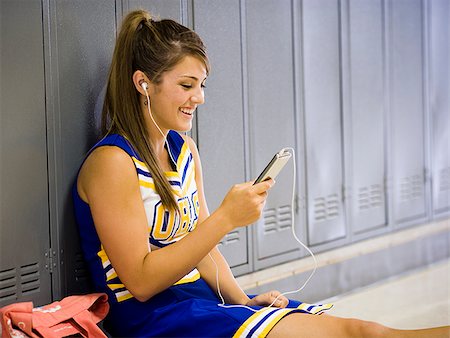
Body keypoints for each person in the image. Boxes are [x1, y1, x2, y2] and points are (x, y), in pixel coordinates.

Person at [72, 9, 450, 338]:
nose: (199, 97)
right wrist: (225, 219)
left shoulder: (183, 150)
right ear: (143, 83)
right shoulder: (113, 163)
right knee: (360, 333)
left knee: (356, 329)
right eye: (186, 85)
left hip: (199, 304)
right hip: (156, 319)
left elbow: (204, 251)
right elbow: (140, 282)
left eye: (202, 85)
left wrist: (243, 301)